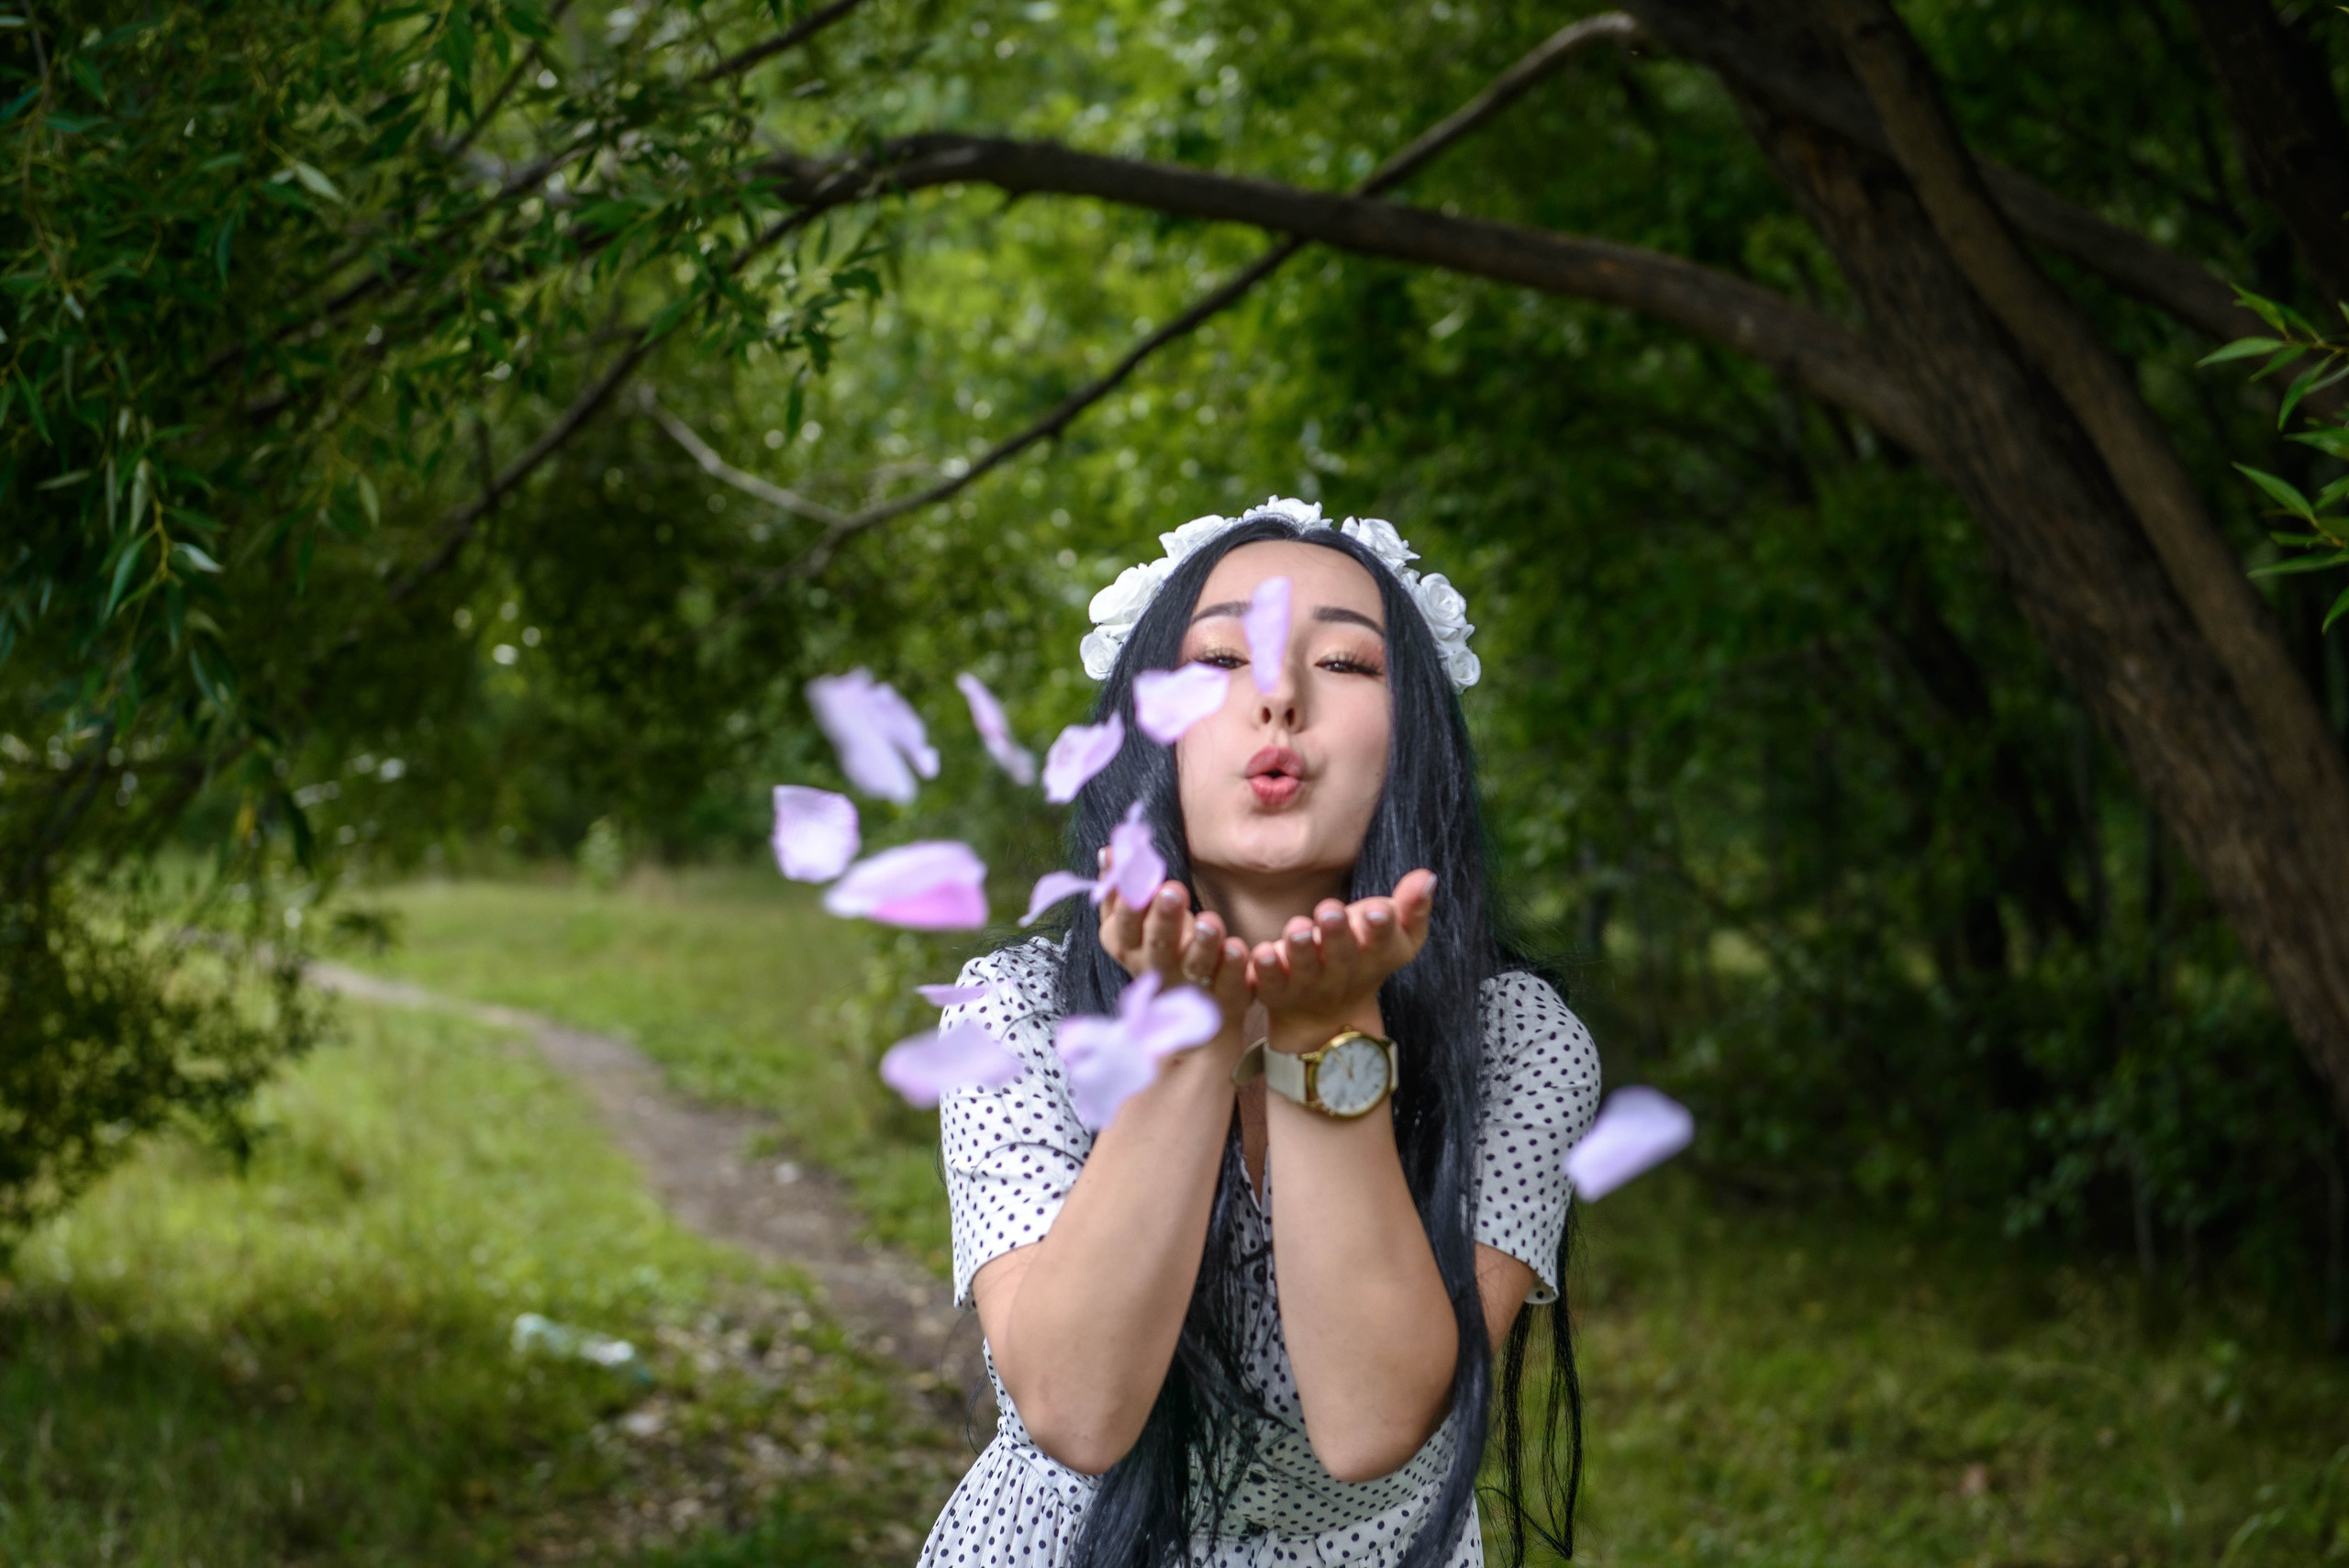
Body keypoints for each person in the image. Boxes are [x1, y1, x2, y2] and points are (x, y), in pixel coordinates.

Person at [917, 500, 1601, 1568]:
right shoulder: (1010, 1011)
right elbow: (1077, 1410)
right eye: (1221, 656)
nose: (1278, 695)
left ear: (1415, 737)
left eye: (1342, 660)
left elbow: (1373, 1425)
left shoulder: (1517, 1037)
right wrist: (1188, 1045)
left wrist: (1328, 1032)